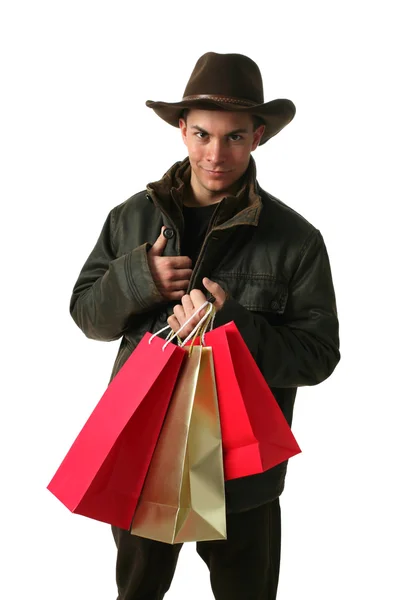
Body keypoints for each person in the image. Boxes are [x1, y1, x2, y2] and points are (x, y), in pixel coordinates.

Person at [70, 52, 340, 600]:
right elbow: (86, 317)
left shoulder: (296, 240)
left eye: (235, 137)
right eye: (202, 134)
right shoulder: (131, 219)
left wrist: (231, 324)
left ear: (258, 136)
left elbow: (317, 356)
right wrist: (138, 278)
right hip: (145, 451)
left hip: (244, 471)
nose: (216, 154)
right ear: (181, 129)